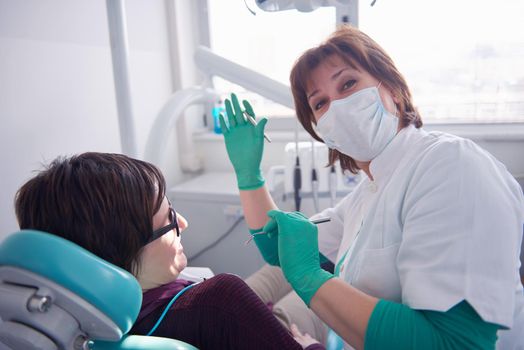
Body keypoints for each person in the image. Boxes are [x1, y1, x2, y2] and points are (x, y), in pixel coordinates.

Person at [220, 25, 524, 349]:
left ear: (392, 89)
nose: (336, 107)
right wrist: (249, 174)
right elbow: (278, 248)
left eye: (348, 83)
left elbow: (455, 342)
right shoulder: (366, 195)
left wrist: (311, 279)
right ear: (322, 131)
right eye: (320, 103)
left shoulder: (452, 166)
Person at [14, 152, 309, 350]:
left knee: (285, 264)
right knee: (312, 265)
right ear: (125, 246)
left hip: (206, 313)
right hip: (256, 326)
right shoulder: (222, 299)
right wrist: (310, 346)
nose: (183, 222)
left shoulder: (74, 321)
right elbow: (224, 309)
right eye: (169, 217)